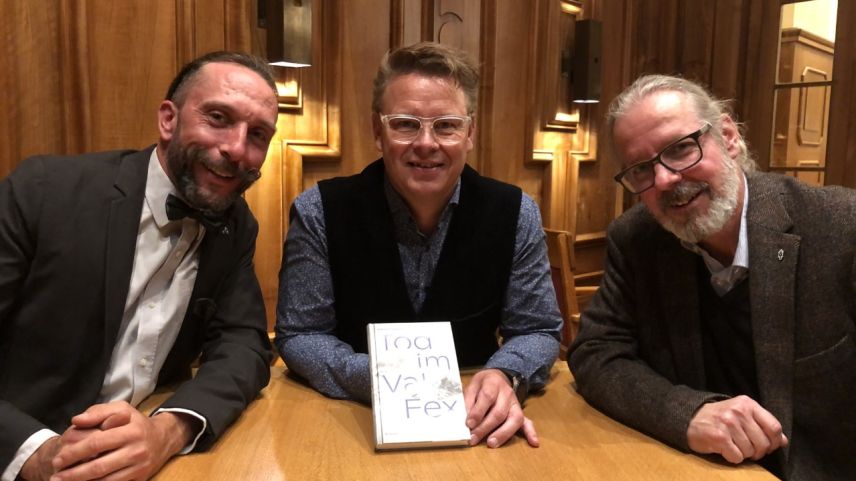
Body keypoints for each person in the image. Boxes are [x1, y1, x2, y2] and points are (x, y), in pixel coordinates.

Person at [0, 51, 279, 481]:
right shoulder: (41, 192)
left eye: (258, 134)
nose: (237, 149)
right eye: (218, 118)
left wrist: (167, 431)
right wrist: (36, 455)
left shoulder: (235, 224)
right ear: (168, 120)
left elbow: (244, 344)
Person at [568, 74, 856, 480]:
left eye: (681, 148)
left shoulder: (842, 228)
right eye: (641, 169)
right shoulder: (636, 239)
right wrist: (688, 413)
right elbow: (595, 353)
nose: (666, 179)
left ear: (728, 137)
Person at [275, 42, 562, 448]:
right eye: (406, 123)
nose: (426, 143)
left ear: (470, 133)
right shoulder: (318, 210)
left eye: (446, 125)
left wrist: (506, 375)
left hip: (475, 425)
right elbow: (301, 334)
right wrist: (390, 382)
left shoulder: (518, 213)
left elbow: (538, 329)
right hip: (349, 424)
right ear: (378, 131)